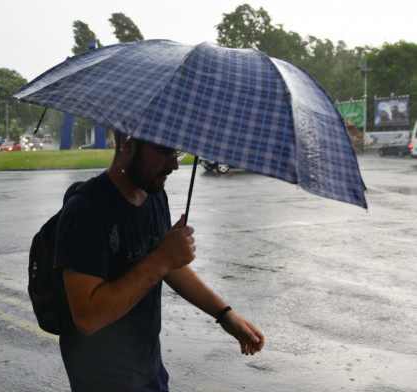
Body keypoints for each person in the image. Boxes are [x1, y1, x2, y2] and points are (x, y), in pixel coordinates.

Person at [54, 131, 264, 391]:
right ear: (128, 144)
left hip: (148, 368)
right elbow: (87, 318)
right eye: (164, 151)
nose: (174, 164)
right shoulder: (86, 210)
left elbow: (168, 266)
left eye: (177, 152)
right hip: (101, 377)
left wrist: (224, 314)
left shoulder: (153, 194)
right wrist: (163, 259)